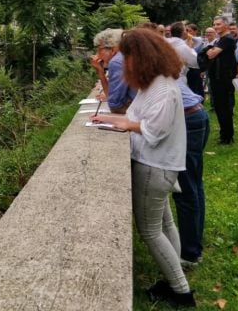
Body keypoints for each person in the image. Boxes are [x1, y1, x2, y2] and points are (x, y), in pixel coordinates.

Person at [92, 29, 195, 307]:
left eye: (127, 57)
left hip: (155, 165)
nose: (124, 63)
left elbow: (156, 129)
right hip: (156, 163)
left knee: (150, 231)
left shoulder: (162, 88)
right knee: (164, 222)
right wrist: (114, 121)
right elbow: (137, 115)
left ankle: (181, 291)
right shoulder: (155, 83)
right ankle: (175, 274)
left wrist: (127, 124)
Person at [173, 80, 210, 269]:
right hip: (198, 115)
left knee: (185, 189)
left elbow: (119, 104)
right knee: (194, 185)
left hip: (187, 120)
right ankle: (194, 245)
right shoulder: (158, 60)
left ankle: (190, 253)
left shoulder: (127, 64)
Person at [206, 16, 237, 144]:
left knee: (223, 107)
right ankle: (224, 134)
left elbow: (211, 54)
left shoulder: (227, 39)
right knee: (219, 107)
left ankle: (227, 136)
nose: (216, 26)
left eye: (218, 24)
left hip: (223, 78)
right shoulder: (221, 40)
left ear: (226, 25)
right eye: (214, 24)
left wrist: (210, 51)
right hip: (218, 77)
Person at [90, 28, 136, 113]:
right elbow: (111, 98)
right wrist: (100, 71)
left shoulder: (116, 62)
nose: (97, 54)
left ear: (112, 50)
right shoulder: (126, 56)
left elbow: (114, 106)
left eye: (99, 49)